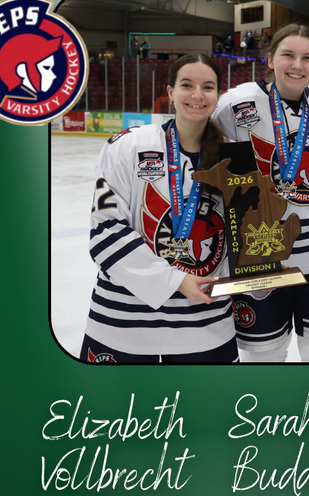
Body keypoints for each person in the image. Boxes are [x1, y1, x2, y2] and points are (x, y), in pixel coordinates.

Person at [81, 53, 238, 363]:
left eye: (207, 87)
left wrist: (262, 270)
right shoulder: (127, 146)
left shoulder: (232, 157)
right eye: (186, 85)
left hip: (205, 326)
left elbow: (242, 236)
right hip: (124, 326)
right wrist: (175, 280)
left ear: (218, 95)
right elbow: (105, 233)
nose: (197, 95)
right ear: (169, 92)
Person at [212, 24, 309, 362]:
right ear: (271, 59)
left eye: (308, 58)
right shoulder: (236, 104)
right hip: (260, 255)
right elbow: (216, 183)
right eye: (288, 55)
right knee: (264, 356)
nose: (297, 65)